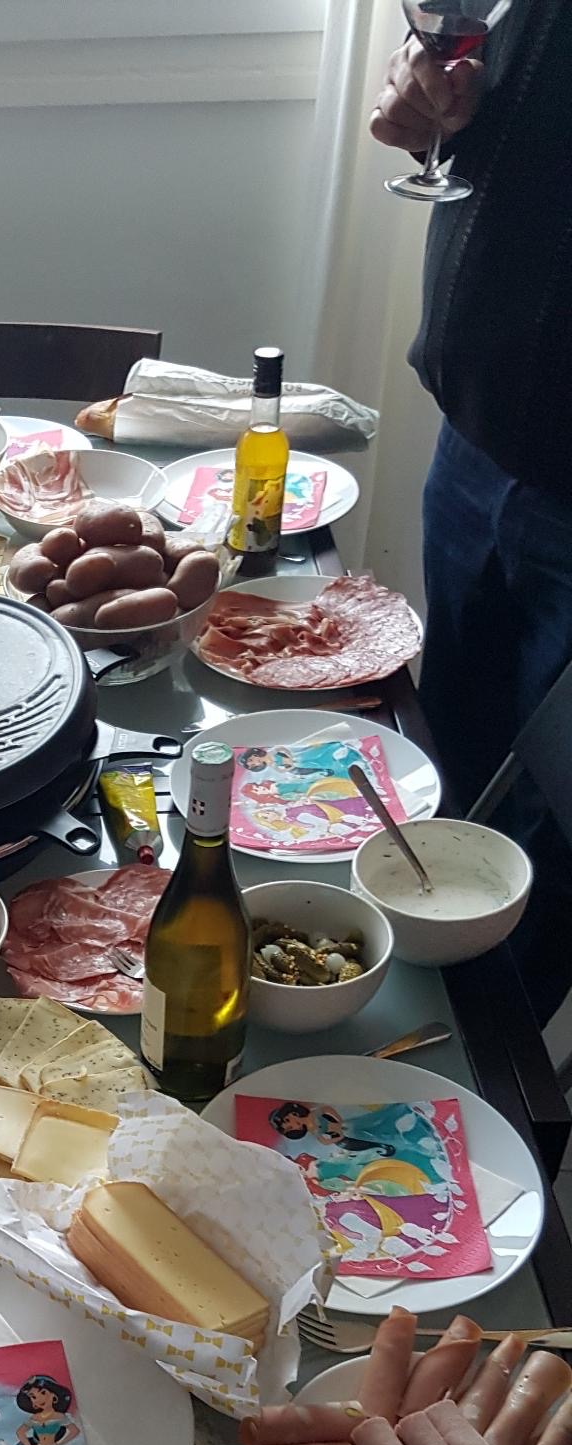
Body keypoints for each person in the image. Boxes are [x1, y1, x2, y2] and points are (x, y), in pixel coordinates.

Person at [370, 3, 572, 1025]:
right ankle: (402, 1028)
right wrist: (425, 96)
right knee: (446, 770)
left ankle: (483, 1078)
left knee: (545, 838)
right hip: (476, 445)